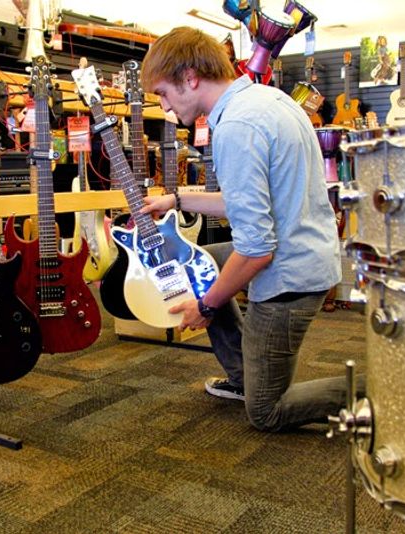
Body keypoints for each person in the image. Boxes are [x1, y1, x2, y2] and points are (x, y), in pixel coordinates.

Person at [139, 26, 359, 432]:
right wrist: (177, 200)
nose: (165, 109)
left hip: (289, 278)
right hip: (310, 253)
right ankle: (245, 378)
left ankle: (376, 389)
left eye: (164, 94)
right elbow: (249, 202)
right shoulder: (266, 99)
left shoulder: (237, 128)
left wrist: (205, 306)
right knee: (201, 260)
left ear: (190, 78)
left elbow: (257, 251)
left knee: (267, 412)